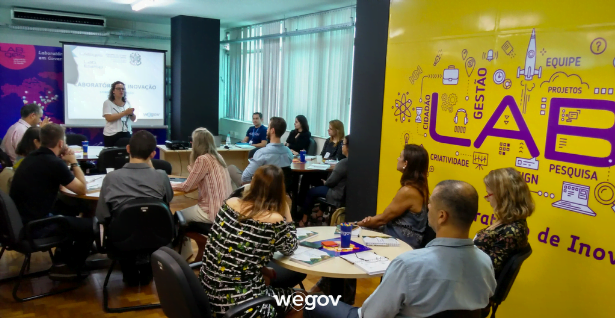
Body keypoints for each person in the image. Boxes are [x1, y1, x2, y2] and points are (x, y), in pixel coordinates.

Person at [305, 180, 497, 318]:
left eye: (430, 204)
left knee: (304, 301)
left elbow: (371, 315)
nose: (426, 207)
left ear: (441, 216)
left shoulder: (408, 265)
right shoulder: (485, 263)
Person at [200, 165, 303, 318]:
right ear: (279, 190)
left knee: (269, 279)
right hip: (240, 306)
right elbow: (290, 247)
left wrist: (263, 270)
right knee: (302, 299)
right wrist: (286, 209)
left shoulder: (230, 203)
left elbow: (234, 252)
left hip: (206, 294)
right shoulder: (273, 220)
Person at [10, 123, 93, 280]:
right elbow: (82, 189)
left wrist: (64, 164)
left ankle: (61, 260)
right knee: (90, 226)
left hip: (22, 221)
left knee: (68, 210)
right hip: (35, 227)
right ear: (61, 143)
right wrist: (74, 162)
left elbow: (59, 182)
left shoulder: (31, 158)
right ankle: (71, 268)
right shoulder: (53, 163)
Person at [96, 130, 174, 286]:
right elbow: (168, 200)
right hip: (156, 238)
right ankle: (147, 272)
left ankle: (129, 273)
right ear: (153, 154)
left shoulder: (111, 178)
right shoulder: (161, 176)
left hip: (121, 240)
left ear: (127, 149)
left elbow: (101, 214)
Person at [172, 128, 233, 258]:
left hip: (210, 211)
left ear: (197, 144)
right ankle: (191, 252)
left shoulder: (203, 160)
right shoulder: (218, 157)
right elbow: (196, 178)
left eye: (192, 141)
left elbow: (187, 186)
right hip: (225, 211)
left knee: (176, 217)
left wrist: (169, 185)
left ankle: (184, 253)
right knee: (183, 217)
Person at [358, 144, 432, 248]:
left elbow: (382, 220)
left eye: (400, 156)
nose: (397, 158)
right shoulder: (421, 187)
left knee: (354, 233)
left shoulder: (408, 191)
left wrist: (357, 224)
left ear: (405, 163)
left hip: (401, 240)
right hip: (408, 239)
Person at [475, 167, 533, 277]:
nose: (487, 199)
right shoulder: (507, 221)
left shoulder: (512, 231)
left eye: (489, 194)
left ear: (502, 196)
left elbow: (486, 270)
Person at [299, 135, 349, 227]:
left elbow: (331, 182)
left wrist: (325, 182)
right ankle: (319, 213)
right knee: (319, 185)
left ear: (348, 147)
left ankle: (304, 219)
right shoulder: (355, 162)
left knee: (311, 192)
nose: (342, 146)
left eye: (344, 144)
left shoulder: (343, 163)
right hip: (345, 193)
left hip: (337, 193)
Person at [241, 117, 293, 184]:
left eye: (268, 128)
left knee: (232, 169)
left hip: (263, 190)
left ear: (272, 130)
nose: (267, 130)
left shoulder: (262, 153)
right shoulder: (289, 153)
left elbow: (245, 178)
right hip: (281, 190)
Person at [103, 81, 136, 147]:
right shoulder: (108, 103)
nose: (121, 90)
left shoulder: (127, 103)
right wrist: (124, 113)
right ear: (113, 91)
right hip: (111, 135)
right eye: (118, 89)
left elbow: (133, 119)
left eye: (123, 89)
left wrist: (131, 114)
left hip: (127, 133)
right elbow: (109, 118)